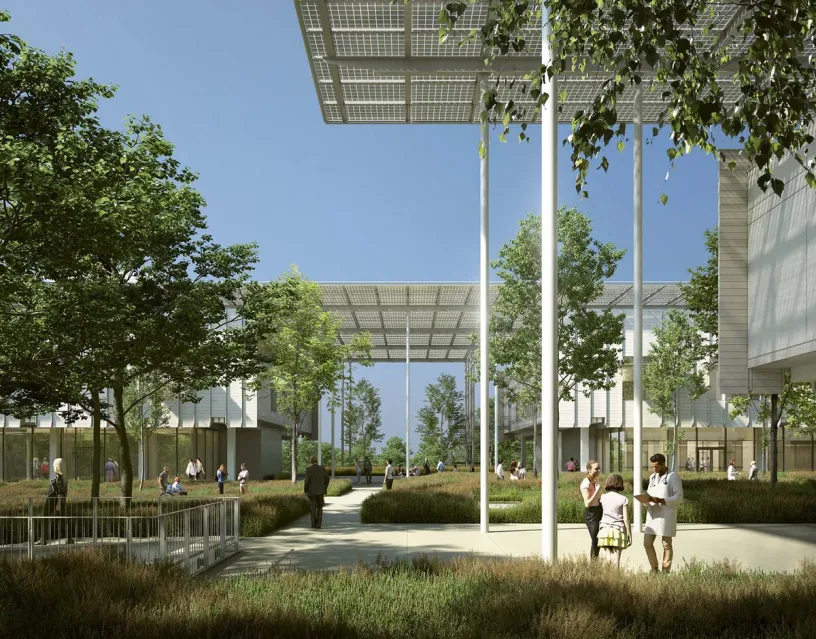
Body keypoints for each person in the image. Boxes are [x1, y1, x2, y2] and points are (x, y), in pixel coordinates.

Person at [643, 453, 684, 574]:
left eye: (656, 466)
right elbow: (649, 493)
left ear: (663, 464)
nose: (654, 469)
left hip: (666, 515)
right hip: (653, 514)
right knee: (647, 543)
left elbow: (679, 497)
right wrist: (647, 500)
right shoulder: (652, 477)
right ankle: (654, 568)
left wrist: (663, 500)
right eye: (653, 467)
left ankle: (665, 570)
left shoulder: (673, 477)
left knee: (666, 545)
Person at [597, 474, 632, 568]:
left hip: (604, 529)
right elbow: (626, 519)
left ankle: (606, 579)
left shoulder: (602, 497)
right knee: (616, 559)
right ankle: (615, 578)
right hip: (618, 530)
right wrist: (629, 533)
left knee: (606, 557)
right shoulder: (623, 499)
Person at [41, 458, 72, 545]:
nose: (52, 466)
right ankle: (69, 538)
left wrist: (57, 504)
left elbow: (58, 493)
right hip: (58, 501)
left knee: (45, 517)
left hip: (53, 501)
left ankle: (43, 538)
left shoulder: (58, 480)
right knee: (65, 518)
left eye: (54, 465)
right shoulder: (64, 479)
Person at [580, 460, 603, 560]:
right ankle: (593, 564)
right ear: (589, 470)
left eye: (599, 468)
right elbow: (587, 503)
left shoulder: (592, 481)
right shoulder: (586, 483)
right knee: (595, 540)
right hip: (591, 515)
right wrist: (597, 490)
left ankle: (595, 562)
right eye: (596, 469)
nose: (598, 470)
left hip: (598, 511)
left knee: (598, 540)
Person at [304, 456, 330, 529]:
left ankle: (313, 524)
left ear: (311, 461)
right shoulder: (322, 468)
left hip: (311, 492)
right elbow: (327, 479)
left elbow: (306, 481)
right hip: (320, 491)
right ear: (317, 461)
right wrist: (324, 487)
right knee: (320, 507)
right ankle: (319, 524)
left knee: (312, 508)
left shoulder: (308, 469)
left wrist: (305, 490)